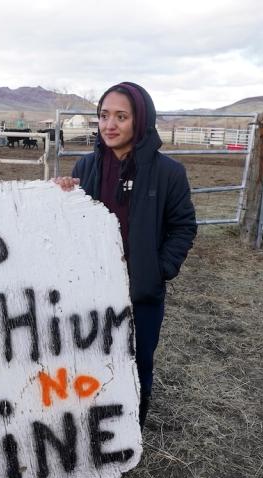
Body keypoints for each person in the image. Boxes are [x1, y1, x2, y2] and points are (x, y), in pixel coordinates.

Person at [54, 82, 196, 427]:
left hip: (141, 293)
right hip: (90, 288)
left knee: (137, 360)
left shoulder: (168, 173)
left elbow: (183, 227)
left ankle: (130, 431)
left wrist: (158, 270)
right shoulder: (86, 167)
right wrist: (59, 197)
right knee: (89, 357)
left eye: (121, 116)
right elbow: (69, 227)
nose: (109, 125)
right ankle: (92, 429)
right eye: (104, 116)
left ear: (140, 120)